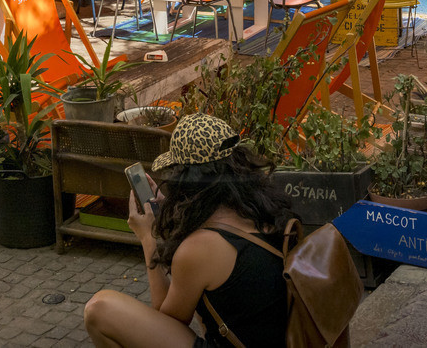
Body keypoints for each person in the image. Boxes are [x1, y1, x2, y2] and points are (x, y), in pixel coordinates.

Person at [84, 114, 291, 348]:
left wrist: (148, 238)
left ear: (186, 181)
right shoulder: (266, 212)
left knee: (99, 309)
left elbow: (165, 323)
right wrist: (173, 212)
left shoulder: (200, 248)